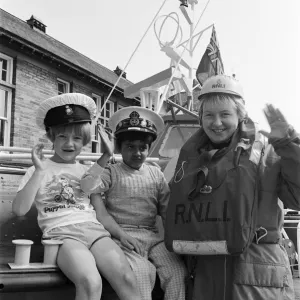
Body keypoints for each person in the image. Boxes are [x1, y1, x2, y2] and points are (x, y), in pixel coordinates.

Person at [164, 75, 300, 300]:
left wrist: (291, 150)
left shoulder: (268, 153)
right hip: (203, 273)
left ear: (240, 116)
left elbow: (297, 199)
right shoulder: (186, 162)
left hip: (256, 273)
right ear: (200, 118)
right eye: (209, 115)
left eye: (225, 114)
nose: (216, 123)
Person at [12, 93, 141, 300]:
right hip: (63, 236)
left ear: (86, 141)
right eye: (62, 136)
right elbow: (19, 209)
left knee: (127, 278)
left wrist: (121, 234)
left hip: (94, 232)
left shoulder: (87, 171)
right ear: (51, 136)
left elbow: (101, 213)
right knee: (91, 283)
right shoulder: (38, 169)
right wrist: (38, 171)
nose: (69, 143)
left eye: (77, 137)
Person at [80, 106, 187, 300]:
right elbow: (88, 185)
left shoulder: (155, 173)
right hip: (122, 238)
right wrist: (105, 156)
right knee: (142, 273)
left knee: (177, 272)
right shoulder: (111, 172)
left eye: (142, 147)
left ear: (149, 148)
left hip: (154, 239)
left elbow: (167, 209)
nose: (137, 153)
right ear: (120, 148)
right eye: (130, 147)